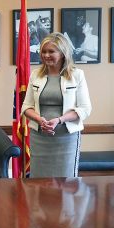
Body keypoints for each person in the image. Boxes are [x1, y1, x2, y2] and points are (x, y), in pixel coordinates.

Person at [22, 32, 92, 178]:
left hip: (67, 139)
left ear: (62, 53)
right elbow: (26, 106)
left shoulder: (77, 75)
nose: (46, 55)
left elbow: (85, 109)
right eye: (44, 51)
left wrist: (59, 120)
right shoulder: (35, 75)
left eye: (51, 51)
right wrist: (40, 119)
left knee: (66, 185)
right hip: (39, 137)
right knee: (39, 183)